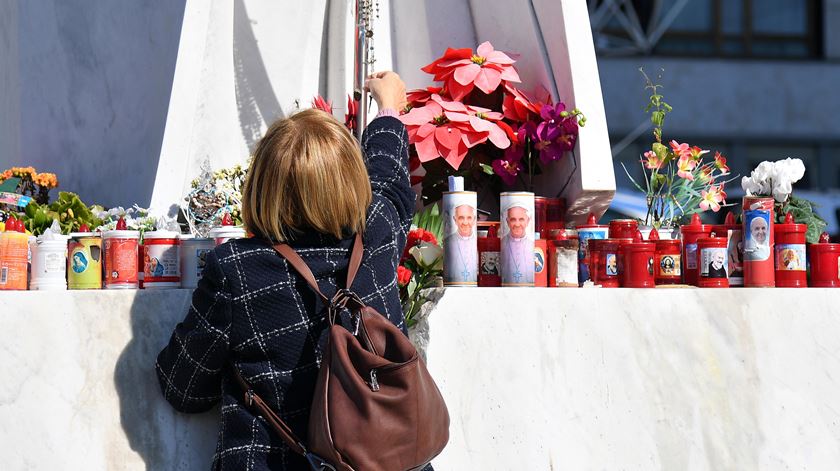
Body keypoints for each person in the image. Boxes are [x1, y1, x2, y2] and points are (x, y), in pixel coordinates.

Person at [155, 72, 425, 470]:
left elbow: (185, 387)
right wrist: (388, 111)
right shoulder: (379, 233)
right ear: (352, 179)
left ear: (263, 184)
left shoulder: (237, 269)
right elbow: (388, 178)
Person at [444, 204, 477, 282]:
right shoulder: (447, 242)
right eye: (461, 218)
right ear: (455, 220)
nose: (465, 223)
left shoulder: (478, 242)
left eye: (469, 218)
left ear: (474, 220)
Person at [501, 205, 534, 284]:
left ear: (528, 221)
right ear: (507, 222)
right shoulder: (502, 243)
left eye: (521, 219)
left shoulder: (533, 245)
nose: (517, 224)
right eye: (513, 220)